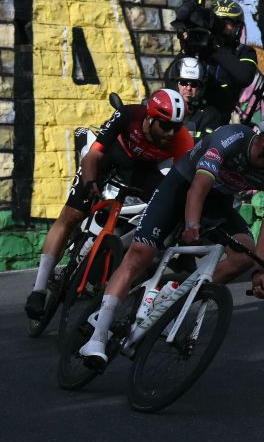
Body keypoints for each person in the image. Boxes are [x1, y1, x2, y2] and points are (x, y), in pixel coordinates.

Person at [77, 108, 264, 368]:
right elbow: (199, 186)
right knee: (140, 255)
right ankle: (97, 338)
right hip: (182, 186)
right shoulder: (231, 138)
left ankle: (174, 296)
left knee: (244, 254)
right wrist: (191, 224)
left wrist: (260, 271)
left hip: (217, 202)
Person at [25, 90, 194, 320]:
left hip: (142, 170)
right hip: (111, 157)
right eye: (165, 126)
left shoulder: (182, 140)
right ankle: (39, 288)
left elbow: (183, 184)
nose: (171, 133)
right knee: (72, 214)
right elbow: (93, 156)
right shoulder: (128, 115)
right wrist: (90, 182)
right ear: (150, 118)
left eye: (177, 127)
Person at [171, 0, 259, 128]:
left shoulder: (244, 51)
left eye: (226, 22)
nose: (220, 26)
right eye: (218, 20)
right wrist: (186, 49)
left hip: (218, 123)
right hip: (187, 119)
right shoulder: (201, 46)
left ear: (237, 27)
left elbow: (245, 77)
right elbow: (170, 79)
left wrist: (214, 49)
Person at [164, 55, 221, 138]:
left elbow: (209, 142)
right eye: (183, 82)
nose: (188, 88)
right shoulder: (164, 108)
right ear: (176, 85)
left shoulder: (209, 115)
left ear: (200, 87)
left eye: (194, 84)